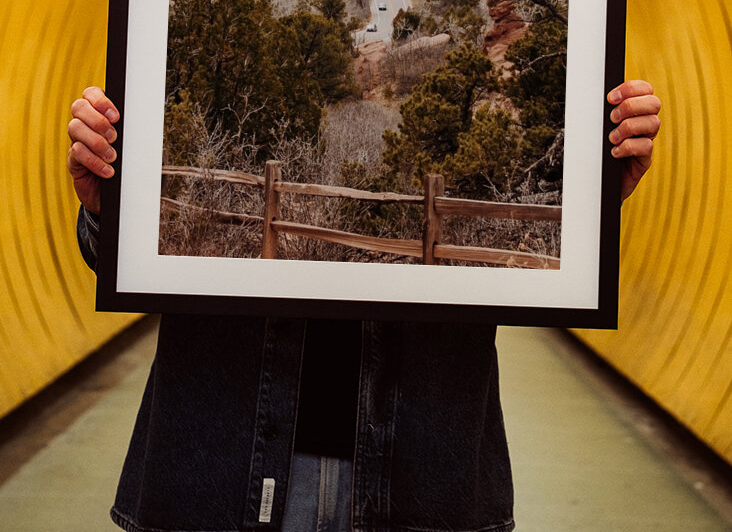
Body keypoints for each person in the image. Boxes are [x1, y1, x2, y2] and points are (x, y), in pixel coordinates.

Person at [68, 79, 661, 532]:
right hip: (219, 466)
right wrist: (110, 209)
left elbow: (544, 260)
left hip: (423, 475)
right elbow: (123, 259)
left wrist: (590, 203)